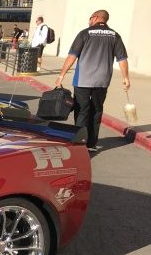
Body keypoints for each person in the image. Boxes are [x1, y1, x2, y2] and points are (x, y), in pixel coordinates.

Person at [55, 9, 130, 152]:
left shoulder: (85, 33)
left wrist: (61, 75)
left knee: (82, 110)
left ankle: (79, 143)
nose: (89, 21)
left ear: (96, 18)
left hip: (83, 79)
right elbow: (122, 59)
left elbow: (72, 56)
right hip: (102, 81)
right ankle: (91, 143)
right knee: (97, 110)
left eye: (90, 18)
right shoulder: (115, 36)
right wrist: (126, 78)